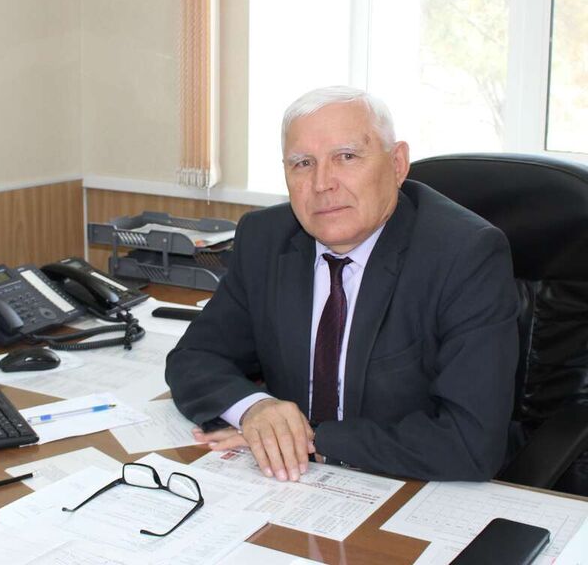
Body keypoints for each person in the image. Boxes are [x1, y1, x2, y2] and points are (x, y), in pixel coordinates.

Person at [166, 85, 519, 484]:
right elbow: (193, 357)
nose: (322, 183)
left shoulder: (464, 254)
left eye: (346, 157)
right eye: (303, 163)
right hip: (290, 487)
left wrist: (312, 439)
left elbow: (471, 441)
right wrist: (254, 409)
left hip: (410, 487)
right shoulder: (265, 238)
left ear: (397, 164)